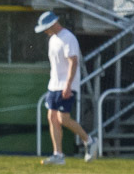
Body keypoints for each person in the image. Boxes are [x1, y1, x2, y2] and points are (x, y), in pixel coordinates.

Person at [34, 11, 94, 165]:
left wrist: (68, 85)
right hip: (54, 84)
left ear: (53, 24)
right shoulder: (52, 40)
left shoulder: (68, 38)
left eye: (46, 28)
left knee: (63, 119)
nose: (45, 31)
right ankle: (58, 154)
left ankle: (89, 140)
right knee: (52, 117)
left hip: (66, 85)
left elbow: (73, 62)